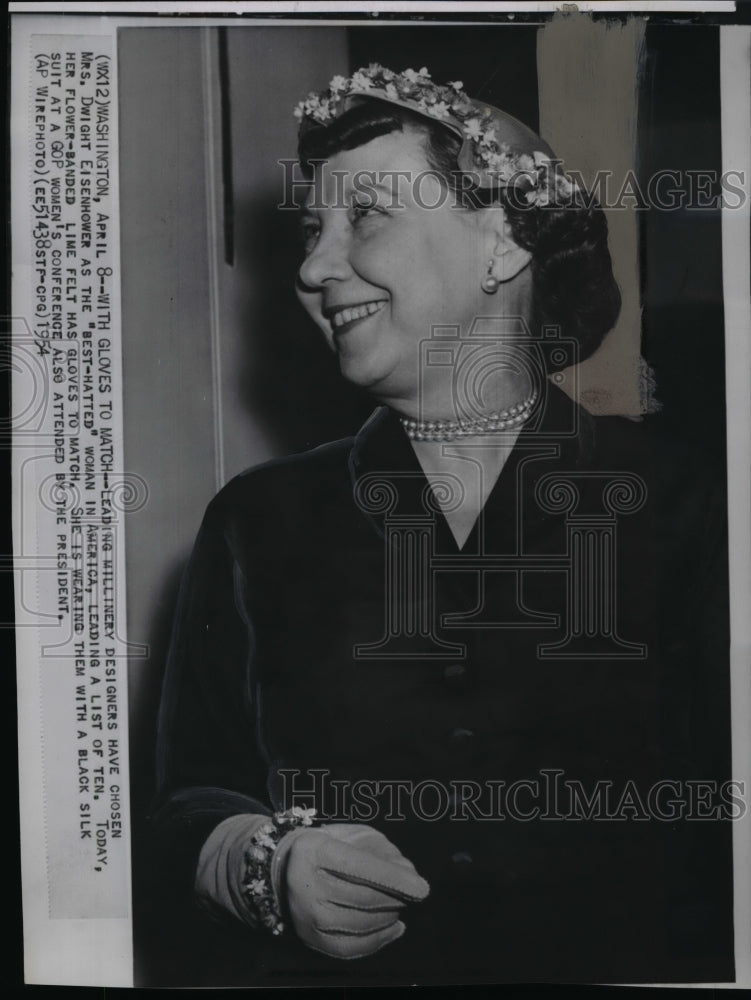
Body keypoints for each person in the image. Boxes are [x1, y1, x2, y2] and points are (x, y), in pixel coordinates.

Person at [151, 65, 734, 985]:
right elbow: (185, 798)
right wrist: (262, 863)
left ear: (501, 242)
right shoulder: (255, 520)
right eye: (312, 230)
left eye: (366, 214)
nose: (312, 267)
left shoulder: (696, 502)